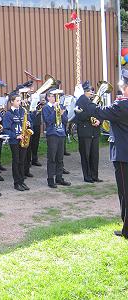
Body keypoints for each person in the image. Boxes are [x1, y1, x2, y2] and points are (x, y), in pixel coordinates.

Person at [79, 70, 128, 238]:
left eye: (122, 85)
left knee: (124, 192)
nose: (121, 87)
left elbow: (97, 111)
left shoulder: (121, 105)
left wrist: (85, 99)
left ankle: (127, 229)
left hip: (123, 154)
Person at [42, 88, 71, 188]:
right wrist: (55, 111)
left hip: (61, 134)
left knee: (60, 158)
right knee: (52, 158)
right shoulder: (46, 108)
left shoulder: (61, 106)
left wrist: (62, 113)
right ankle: (50, 180)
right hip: (52, 135)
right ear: (48, 97)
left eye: (56, 96)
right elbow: (48, 121)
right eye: (53, 96)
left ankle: (59, 178)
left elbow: (66, 120)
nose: (55, 98)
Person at [74, 80, 102, 183]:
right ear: (85, 91)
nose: (92, 92)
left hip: (95, 132)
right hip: (85, 132)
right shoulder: (80, 101)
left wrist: (99, 121)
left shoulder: (93, 101)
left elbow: (100, 112)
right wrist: (91, 111)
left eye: (92, 91)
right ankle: (87, 176)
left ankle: (95, 176)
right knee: (85, 155)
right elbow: (79, 115)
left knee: (95, 155)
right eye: (90, 91)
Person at [3, 93, 31, 191]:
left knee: (22, 161)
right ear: (12, 102)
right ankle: (16, 183)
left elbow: (29, 122)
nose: (20, 102)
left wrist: (28, 123)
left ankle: (22, 181)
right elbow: (6, 129)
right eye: (17, 101)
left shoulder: (23, 111)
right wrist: (16, 136)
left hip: (24, 139)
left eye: (20, 100)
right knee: (16, 161)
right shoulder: (8, 114)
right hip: (14, 141)